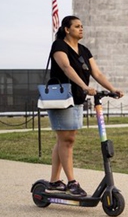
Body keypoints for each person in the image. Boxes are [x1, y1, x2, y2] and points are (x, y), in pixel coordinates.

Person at [45, 16, 123, 196]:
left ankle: (54, 181)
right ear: (67, 29)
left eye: (82, 26)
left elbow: (97, 73)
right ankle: (72, 183)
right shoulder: (59, 46)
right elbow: (66, 67)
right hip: (62, 98)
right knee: (67, 139)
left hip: (77, 98)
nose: (81, 29)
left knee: (64, 139)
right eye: (77, 26)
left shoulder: (84, 50)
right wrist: (85, 86)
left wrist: (112, 89)